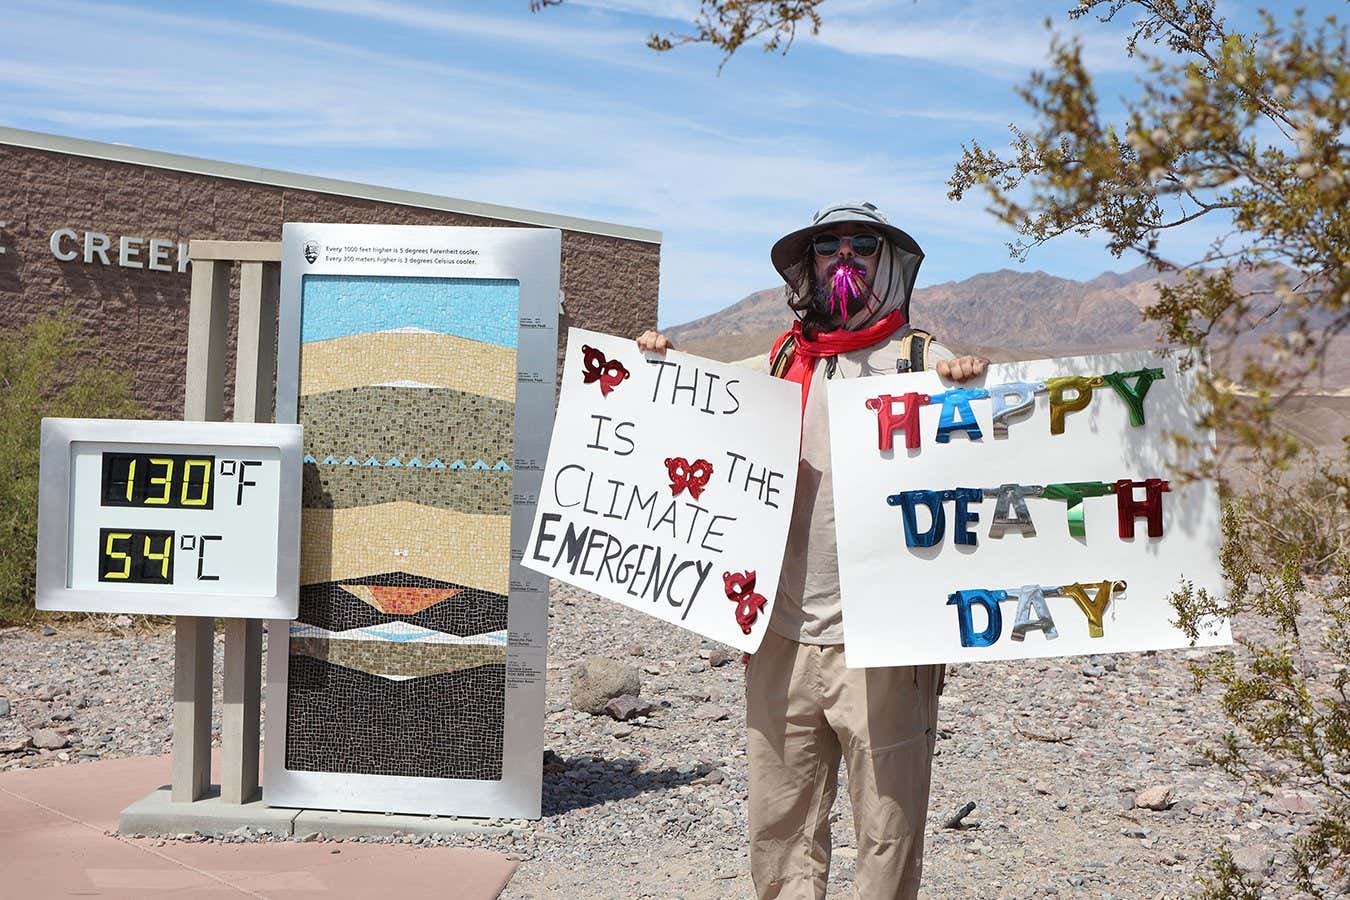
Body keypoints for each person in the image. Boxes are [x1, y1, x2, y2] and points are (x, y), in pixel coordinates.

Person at [639, 201, 986, 900]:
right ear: (810, 264)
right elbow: (694, 394)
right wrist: (656, 359)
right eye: (829, 245)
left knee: (887, 829)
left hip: (882, 643)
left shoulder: (922, 362)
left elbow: (991, 432)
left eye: (862, 244)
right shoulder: (776, 360)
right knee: (780, 826)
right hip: (779, 634)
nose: (845, 256)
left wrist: (971, 380)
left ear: (886, 262)